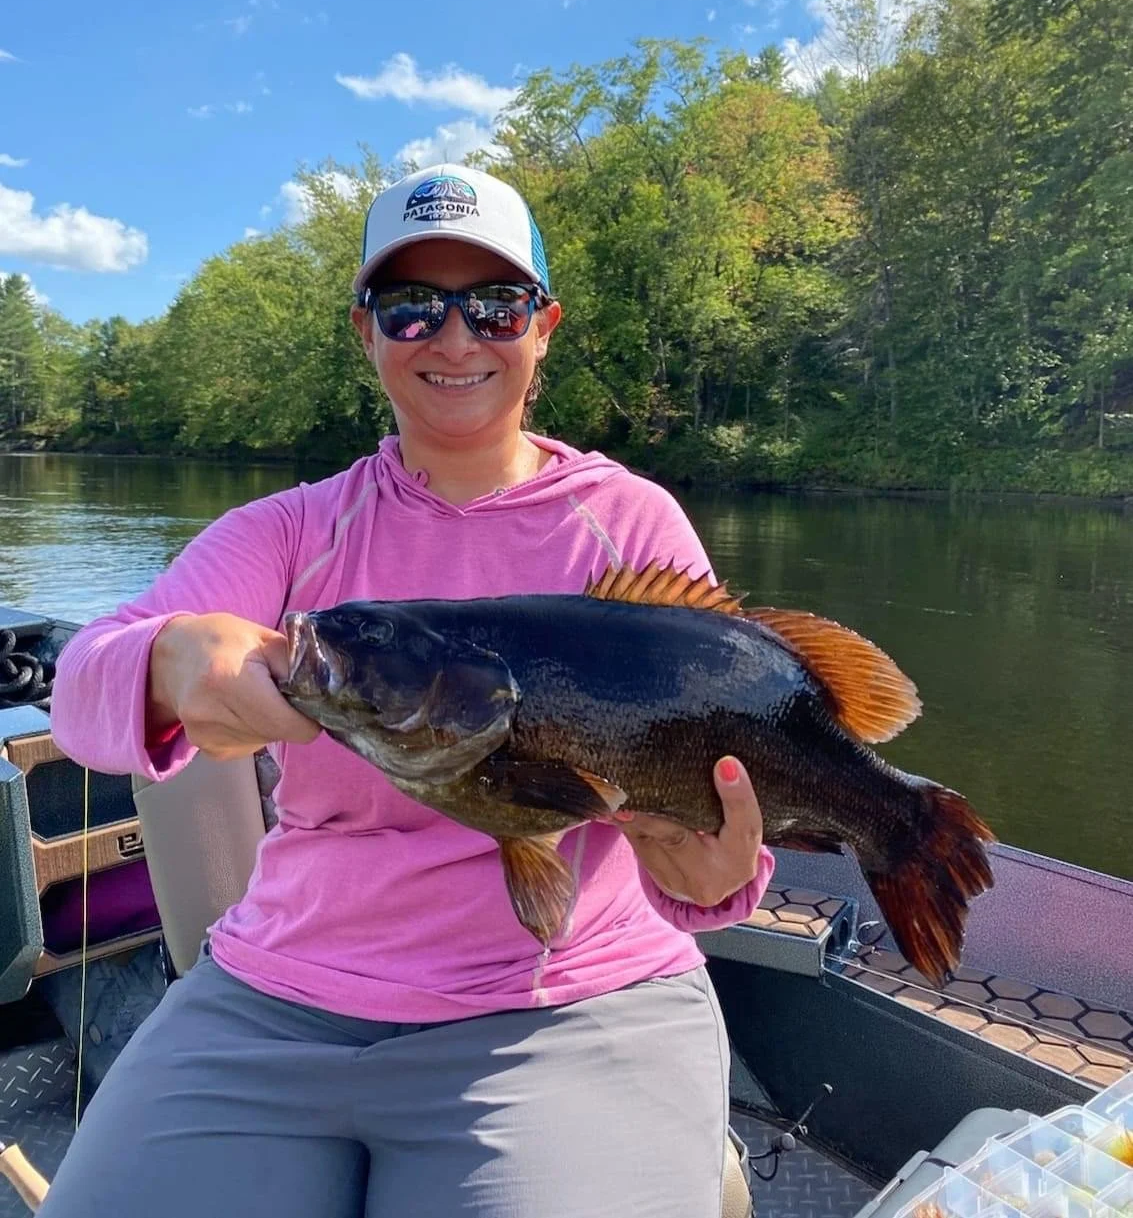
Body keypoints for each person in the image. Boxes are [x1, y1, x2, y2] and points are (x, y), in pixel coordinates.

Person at [44, 162, 776, 1218]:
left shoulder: (630, 526)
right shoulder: (294, 530)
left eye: (493, 304)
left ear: (544, 326)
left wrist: (710, 876)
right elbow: (81, 686)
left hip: (570, 1005)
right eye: (410, 308)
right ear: (365, 333)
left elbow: (719, 782)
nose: (454, 337)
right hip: (276, 998)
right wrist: (167, 661)